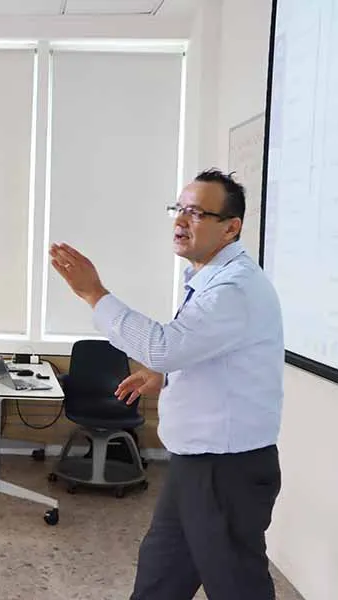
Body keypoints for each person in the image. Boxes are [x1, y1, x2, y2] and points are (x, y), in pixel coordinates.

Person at [49, 169, 283, 600]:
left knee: (237, 586)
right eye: (179, 209)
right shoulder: (208, 279)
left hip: (226, 469)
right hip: (197, 463)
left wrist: (94, 294)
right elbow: (201, 352)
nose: (181, 221)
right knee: (160, 578)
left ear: (231, 227)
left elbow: (162, 345)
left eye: (197, 213)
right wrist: (166, 374)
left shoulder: (233, 289)